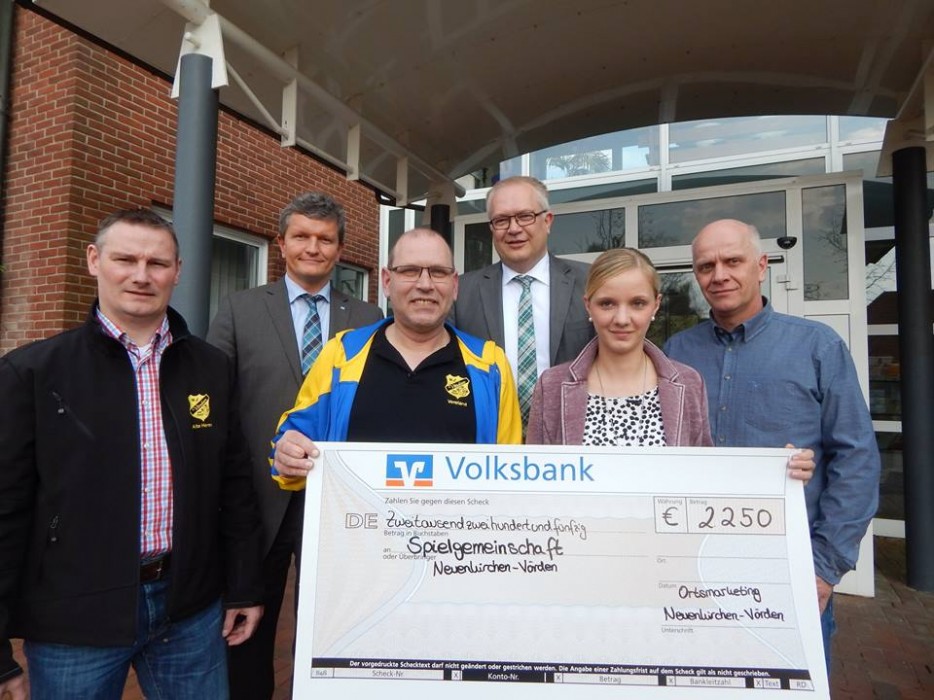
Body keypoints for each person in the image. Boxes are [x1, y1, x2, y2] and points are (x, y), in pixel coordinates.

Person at [0, 208, 263, 700]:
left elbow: (235, 485)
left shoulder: (210, 367)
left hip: (190, 611)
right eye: (125, 259)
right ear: (93, 260)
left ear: (177, 271)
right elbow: (6, 509)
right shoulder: (33, 373)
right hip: (75, 617)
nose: (142, 276)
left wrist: (245, 585)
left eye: (157, 263)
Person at [664, 218, 880, 670]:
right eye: (706, 266)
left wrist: (824, 568)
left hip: (789, 567)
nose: (719, 275)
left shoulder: (817, 346)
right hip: (695, 564)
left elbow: (856, 458)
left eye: (733, 261)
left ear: (761, 266)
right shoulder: (677, 352)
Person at [206, 192, 382, 699]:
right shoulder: (239, 309)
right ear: (281, 244)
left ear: (340, 249)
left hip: (337, 496)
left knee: (331, 619)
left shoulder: (369, 315)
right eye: (301, 236)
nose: (313, 247)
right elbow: (219, 400)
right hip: (258, 495)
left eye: (325, 239)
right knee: (249, 623)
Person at [272, 227, 521, 489]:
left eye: (438, 272)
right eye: (410, 271)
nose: (425, 285)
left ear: (455, 285)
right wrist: (288, 455)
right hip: (355, 516)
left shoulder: (489, 365)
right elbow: (291, 445)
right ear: (387, 281)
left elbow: (511, 476)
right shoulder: (342, 355)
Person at [527, 248, 712, 447]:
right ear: (588, 306)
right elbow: (538, 465)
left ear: (656, 305)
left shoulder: (690, 383)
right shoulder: (551, 386)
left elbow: (703, 464)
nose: (622, 319)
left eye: (638, 303)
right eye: (607, 304)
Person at [452, 176, 593, 426]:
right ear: (491, 228)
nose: (514, 228)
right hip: (490, 437)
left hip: (571, 436)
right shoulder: (461, 292)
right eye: (501, 220)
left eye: (525, 216)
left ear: (547, 221)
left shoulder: (591, 282)